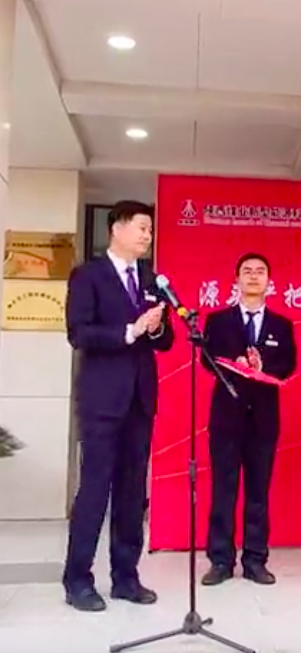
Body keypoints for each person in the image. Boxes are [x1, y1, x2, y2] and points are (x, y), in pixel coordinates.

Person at [62, 200, 174, 611]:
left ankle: (126, 576)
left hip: (140, 400)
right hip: (102, 400)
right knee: (95, 489)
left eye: (150, 230)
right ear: (117, 228)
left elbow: (166, 341)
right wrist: (130, 330)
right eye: (142, 228)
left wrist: (156, 328)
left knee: (132, 492)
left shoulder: (151, 279)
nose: (148, 236)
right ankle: (78, 580)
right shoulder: (88, 275)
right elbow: (79, 333)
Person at [200, 253, 298, 587]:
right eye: (247, 271)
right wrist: (236, 364)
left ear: (269, 281)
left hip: (264, 419)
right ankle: (221, 560)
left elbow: (288, 365)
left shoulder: (281, 325)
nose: (253, 276)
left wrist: (262, 366)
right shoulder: (218, 320)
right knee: (223, 490)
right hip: (226, 418)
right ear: (236, 280)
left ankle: (255, 560)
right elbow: (207, 360)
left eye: (260, 272)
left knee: (258, 492)